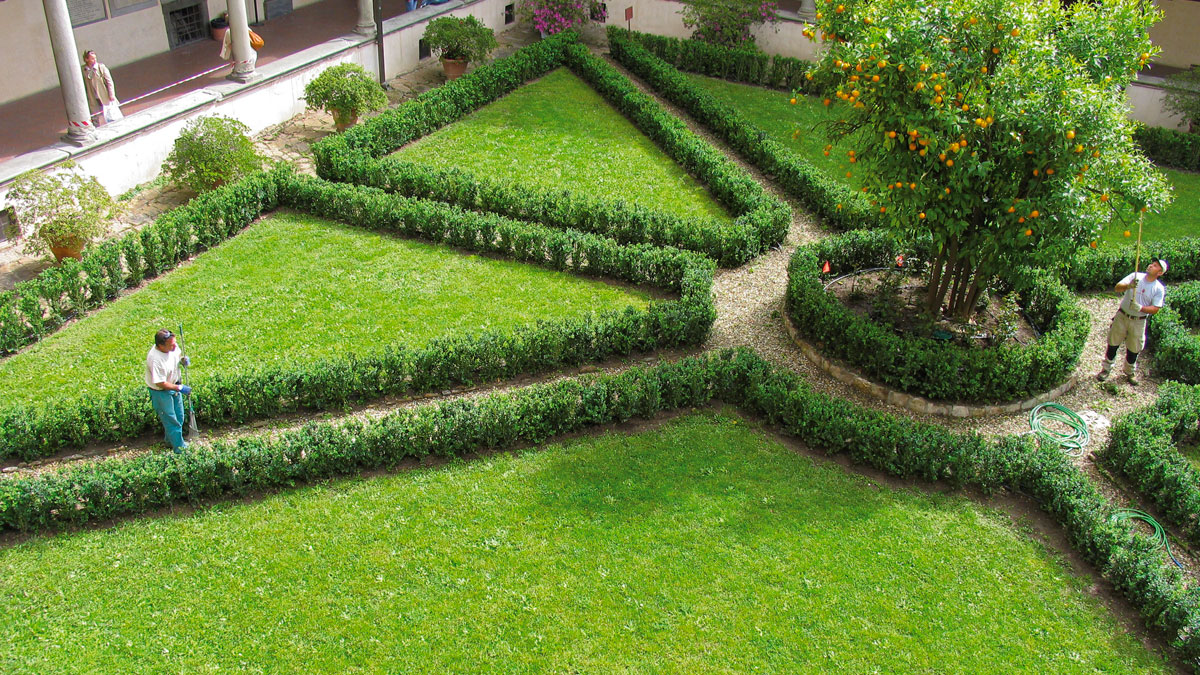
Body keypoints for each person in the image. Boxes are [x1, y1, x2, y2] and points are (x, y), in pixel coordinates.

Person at [1096, 258, 1168, 385]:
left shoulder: (1158, 289)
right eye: (1152, 263)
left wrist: (1141, 308)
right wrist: (1129, 286)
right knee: (1113, 343)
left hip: (1138, 321)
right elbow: (1117, 288)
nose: (1151, 265)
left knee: (1134, 348)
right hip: (1122, 316)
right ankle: (1106, 369)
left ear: (1160, 272)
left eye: (1155, 266)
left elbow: (1155, 308)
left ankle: (1129, 372)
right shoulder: (1135, 276)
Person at [145, 328, 192, 452]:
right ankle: (179, 449)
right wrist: (179, 388)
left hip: (174, 385)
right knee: (171, 421)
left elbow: (176, 356)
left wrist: (183, 360)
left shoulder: (172, 347)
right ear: (160, 346)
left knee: (179, 417)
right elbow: (160, 383)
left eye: (175, 343)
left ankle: (170, 440)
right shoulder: (156, 359)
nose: (175, 346)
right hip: (161, 392)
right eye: (171, 345)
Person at [82, 50, 122, 125]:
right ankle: (96, 128)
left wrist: (111, 94)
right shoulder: (83, 70)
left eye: (95, 58)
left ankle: (115, 125)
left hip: (104, 95)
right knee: (94, 115)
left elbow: (109, 82)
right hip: (92, 97)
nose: (94, 60)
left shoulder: (101, 67)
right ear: (86, 59)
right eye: (92, 58)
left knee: (110, 113)